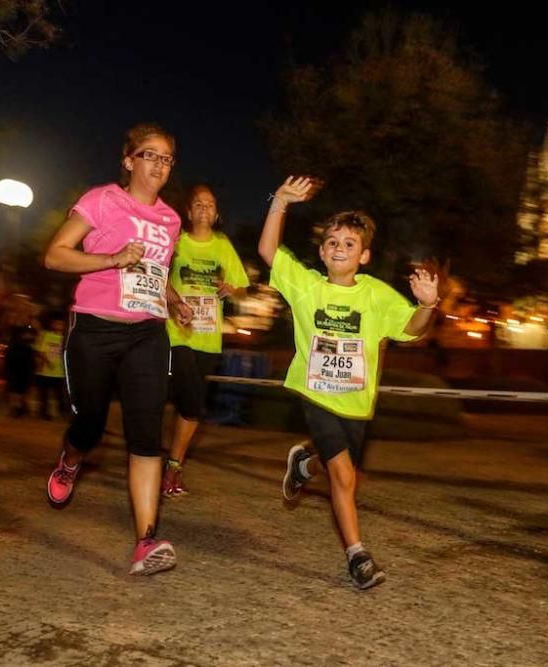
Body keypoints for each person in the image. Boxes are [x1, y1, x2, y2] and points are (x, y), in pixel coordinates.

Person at [258, 176, 439, 589]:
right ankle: (357, 556)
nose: (340, 248)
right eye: (333, 242)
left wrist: (429, 305)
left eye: (349, 244)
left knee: (337, 467)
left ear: (365, 255)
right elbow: (268, 251)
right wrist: (280, 202)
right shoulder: (306, 286)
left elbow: (412, 328)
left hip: (356, 403)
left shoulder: (376, 295)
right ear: (322, 252)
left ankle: (304, 463)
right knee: (343, 477)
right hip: (315, 394)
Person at [43, 122, 192, 576]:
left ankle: (146, 540)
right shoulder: (102, 200)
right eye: (149, 155)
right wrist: (111, 259)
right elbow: (56, 255)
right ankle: (71, 460)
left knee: (146, 433)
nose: (159, 165)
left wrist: (176, 301)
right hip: (94, 330)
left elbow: (156, 272)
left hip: (147, 334)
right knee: (89, 421)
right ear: (129, 161)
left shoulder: (171, 219)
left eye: (166, 158)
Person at [162, 184, 250, 496]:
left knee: (191, 406)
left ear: (216, 214)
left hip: (209, 337)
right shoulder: (178, 242)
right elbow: (158, 278)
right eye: (198, 203)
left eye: (209, 204)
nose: (203, 208)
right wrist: (175, 305)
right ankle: (169, 466)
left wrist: (230, 288)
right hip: (179, 333)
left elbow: (240, 287)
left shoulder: (223, 245)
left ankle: (173, 464)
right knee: (189, 400)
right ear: (188, 212)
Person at [34, 314, 68, 420]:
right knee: (44, 394)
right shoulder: (47, 335)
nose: (58, 326)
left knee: (60, 395)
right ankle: (43, 413)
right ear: (52, 324)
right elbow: (40, 351)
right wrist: (47, 362)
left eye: (61, 324)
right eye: (56, 323)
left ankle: (63, 413)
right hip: (46, 371)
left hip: (60, 372)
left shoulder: (65, 337)